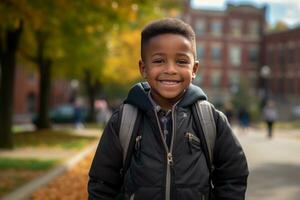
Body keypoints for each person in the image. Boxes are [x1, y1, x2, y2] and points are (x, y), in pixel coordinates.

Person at [88, 18, 248, 200]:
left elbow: (233, 176)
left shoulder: (210, 119)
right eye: (159, 61)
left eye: (181, 62)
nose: (170, 69)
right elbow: (101, 183)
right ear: (143, 68)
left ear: (194, 68)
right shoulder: (124, 120)